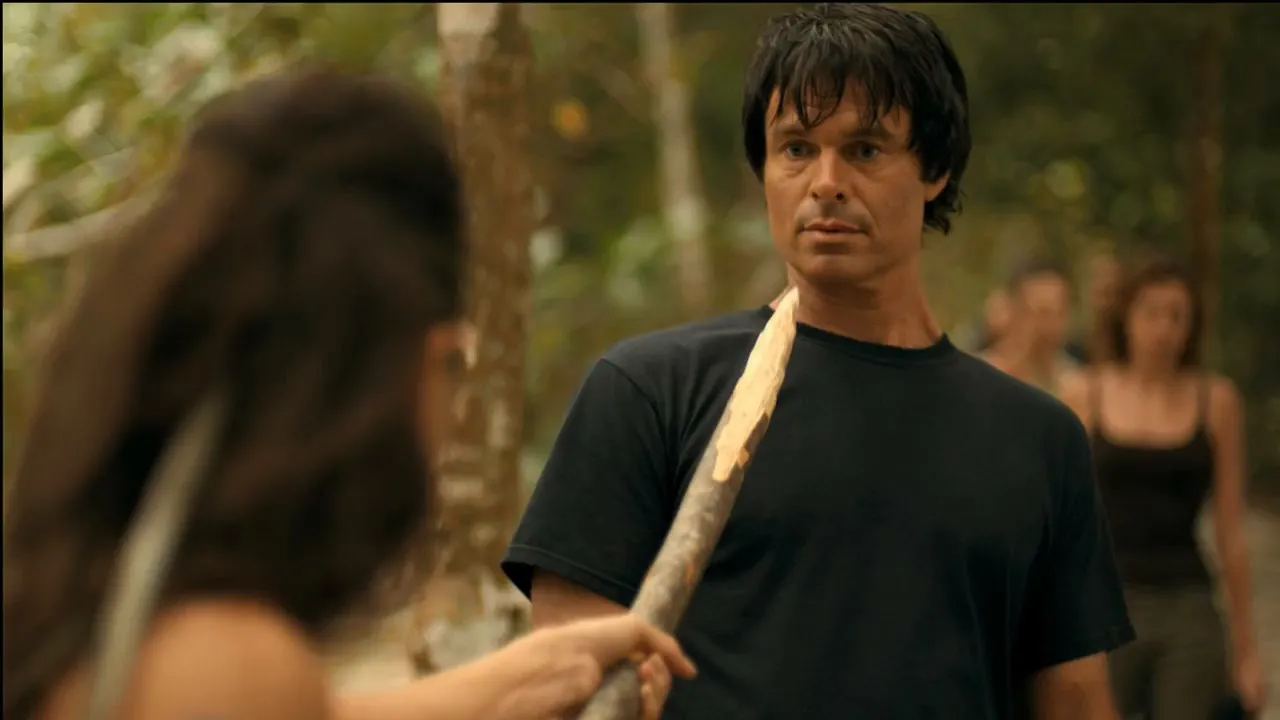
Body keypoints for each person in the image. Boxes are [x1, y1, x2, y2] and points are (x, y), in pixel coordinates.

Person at [1, 66, 695, 720]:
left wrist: (526, 678)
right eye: (451, 373)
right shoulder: (225, 664)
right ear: (420, 364)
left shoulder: (98, 612)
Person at [503, 4, 1133, 719]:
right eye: (797, 148)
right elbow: (565, 680)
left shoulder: (1038, 439)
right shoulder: (652, 392)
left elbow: (1075, 699)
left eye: (864, 150)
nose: (825, 181)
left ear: (936, 168)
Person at [1059, 257, 1267, 719]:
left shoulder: (1216, 401)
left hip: (1186, 601)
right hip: (1106, 603)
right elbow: (1060, 520)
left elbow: (1230, 532)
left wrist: (1247, 653)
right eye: (1151, 312)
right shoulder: (1084, 393)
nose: (1164, 329)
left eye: (1177, 316)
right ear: (1127, 316)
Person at [982, 259, 1079, 393]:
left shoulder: (1074, 384)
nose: (1051, 326)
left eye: (1059, 313)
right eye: (1043, 313)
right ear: (1015, 313)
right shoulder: (981, 377)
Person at [1064, 250, 1120, 365]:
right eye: (1099, 292)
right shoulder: (1070, 347)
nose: (1104, 303)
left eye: (1110, 292)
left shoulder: (1127, 346)